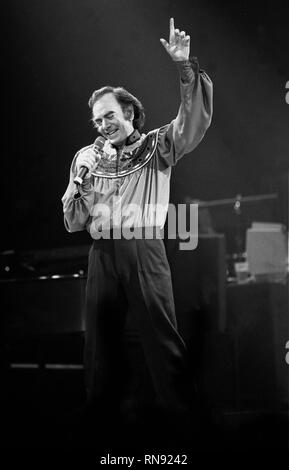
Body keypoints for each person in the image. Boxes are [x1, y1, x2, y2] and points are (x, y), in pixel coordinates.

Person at [62, 18, 213, 442]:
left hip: (144, 249)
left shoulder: (157, 146)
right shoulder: (85, 157)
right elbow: (73, 222)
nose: (102, 124)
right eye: (96, 120)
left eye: (108, 116)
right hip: (102, 256)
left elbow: (191, 123)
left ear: (127, 112)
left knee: (162, 345)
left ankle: (186, 433)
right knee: (98, 352)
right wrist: (81, 184)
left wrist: (184, 68)